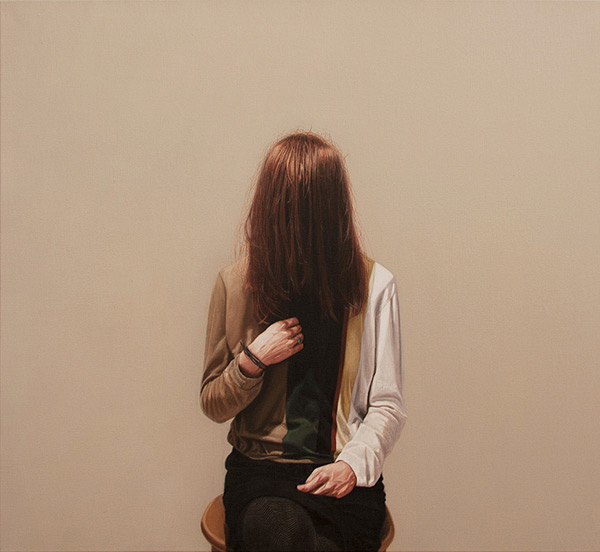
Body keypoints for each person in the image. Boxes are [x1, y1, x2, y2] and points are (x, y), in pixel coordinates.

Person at [201, 131, 407, 551]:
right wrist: (252, 361)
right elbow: (213, 403)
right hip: (261, 474)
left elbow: (387, 403)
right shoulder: (236, 283)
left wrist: (352, 465)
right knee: (281, 530)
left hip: (342, 472)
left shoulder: (373, 286)